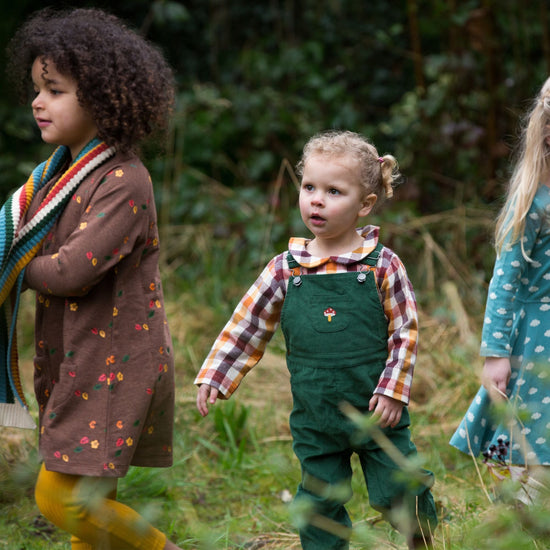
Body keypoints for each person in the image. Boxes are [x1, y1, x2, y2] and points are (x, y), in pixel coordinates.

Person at [195, 130, 438, 549]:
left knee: (397, 490)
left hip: (377, 409)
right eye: (309, 187)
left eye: (333, 191)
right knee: (319, 502)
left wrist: (394, 390)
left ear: (365, 204)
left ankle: (426, 538)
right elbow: (248, 323)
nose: (316, 200)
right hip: (316, 414)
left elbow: (405, 331)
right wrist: (216, 374)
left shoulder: (382, 265)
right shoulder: (285, 268)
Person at [0, 8, 181, 550]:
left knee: (62, 501)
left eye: (54, 90)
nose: (38, 102)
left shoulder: (123, 179)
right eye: (37, 89)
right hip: (78, 359)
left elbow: (72, 270)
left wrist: (13, 266)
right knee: (91, 508)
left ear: (102, 98)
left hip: (112, 366)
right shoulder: (57, 176)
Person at [450, 78, 550, 502]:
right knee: (532, 425)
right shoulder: (534, 203)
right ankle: (521, 506)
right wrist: (495, 353)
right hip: (536, 340)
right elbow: (504, 284)